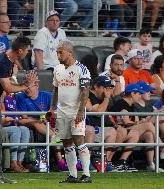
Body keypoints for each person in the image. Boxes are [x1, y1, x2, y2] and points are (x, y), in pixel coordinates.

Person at [0, 36, 36, 184]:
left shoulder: (6, 61)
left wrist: (24, 83)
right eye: (26, 51)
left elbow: (8, 86)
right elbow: (8, 87)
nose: (27, 54)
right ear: (20, 51)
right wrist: (26, 86)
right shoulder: (3, 62)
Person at [50, 39, 92, 183]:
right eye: (57, 52)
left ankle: (86, 174)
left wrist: (81, 110)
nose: (58, 55)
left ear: (70, 52)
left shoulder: (82, 69)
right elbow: (55, 89)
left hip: (76, 111)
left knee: (79, 140)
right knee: (66, 143)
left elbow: (85, 91)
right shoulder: (57, 69)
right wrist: (52, 108)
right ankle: (73, 175)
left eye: (60, 52)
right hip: (62, 111)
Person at [86, 76, 119, 172]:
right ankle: (86, 162)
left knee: (113, 131)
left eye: (108, 88)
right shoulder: (87, 95)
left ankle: (104, 161)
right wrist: (107, 98)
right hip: (82, 129)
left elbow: (104, 113)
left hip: (98, 129)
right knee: (90, 130)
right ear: (96, 87)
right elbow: (98, 113)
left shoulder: (102, 98)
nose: (107, 90)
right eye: (105, 87)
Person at [1, 92, 30, 173]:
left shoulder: (15, 100)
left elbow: (22, 116)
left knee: (25, 130)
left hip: (11, 125)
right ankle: (13, 162)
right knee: (16, 130)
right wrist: (4, 120)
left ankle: (19, 162)